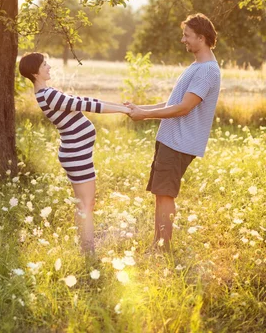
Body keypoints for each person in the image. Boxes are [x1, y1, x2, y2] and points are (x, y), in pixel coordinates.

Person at [19, 52, 132, 254]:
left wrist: (121, 107)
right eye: (45, 64)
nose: (49, 67)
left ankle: (85, 247)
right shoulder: (48, 95)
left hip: (75, 153)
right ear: (35, 73)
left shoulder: (46, 93)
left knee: (84, 203)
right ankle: (89, 251)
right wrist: (124, 111)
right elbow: (87, 105)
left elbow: (82, 99)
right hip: (76, 153)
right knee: (86, 204)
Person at [126, 13, 221, 251]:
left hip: (179, 142)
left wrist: (144, 115)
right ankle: (157, 245)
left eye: (187, 36)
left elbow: (183, 108)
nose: (183, 40)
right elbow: (172, 102)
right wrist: (140, 109)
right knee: (161, 194)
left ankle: (162, 249)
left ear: (201, 37)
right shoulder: (197, 66)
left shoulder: (207, 70)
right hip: (171, 140)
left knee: (166, 195)